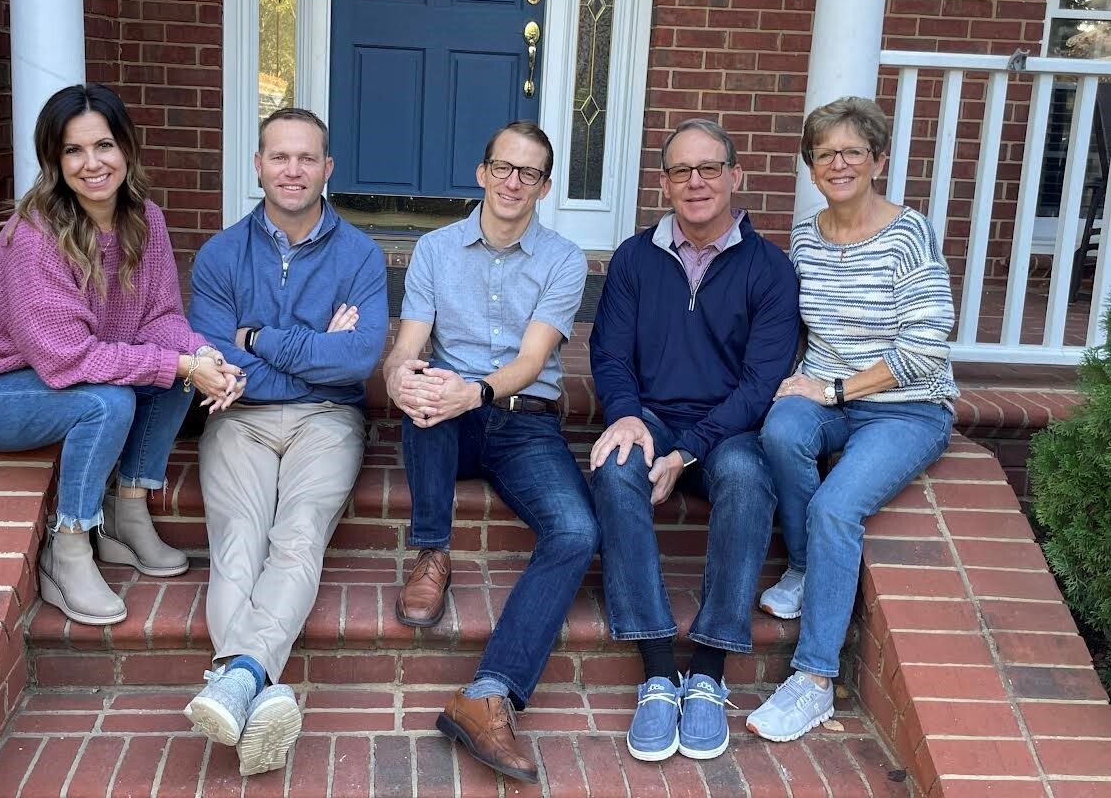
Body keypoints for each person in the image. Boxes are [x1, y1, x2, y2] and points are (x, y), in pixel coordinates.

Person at [0, 83, 243, 627]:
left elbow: (159, 320)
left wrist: (203, 356)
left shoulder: (146, 220)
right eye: (73, 150)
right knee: (108, 402)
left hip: (53, 375)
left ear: (127, 150)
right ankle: (67, 548)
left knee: (175, 376)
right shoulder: (35, 235)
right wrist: (177, 363)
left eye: (104, 146)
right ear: (55, 160)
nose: (92, 163)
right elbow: (66, 360)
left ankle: (127, 513)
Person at [384, 121, 598, 786]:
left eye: (528, 173)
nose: (512, 182)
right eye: (503, 168)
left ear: (544, 186)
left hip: (520, 421)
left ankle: (487, 693)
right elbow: (408, 342)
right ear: (480, 173)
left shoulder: (563, 259)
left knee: (576, 531)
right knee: (425, 391)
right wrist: (398, 373)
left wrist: (472, 390)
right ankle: (432, 551)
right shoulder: (435, 249)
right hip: (444, 417)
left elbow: (533, 359)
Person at [183, 107, 388, 776]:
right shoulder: (219, 255)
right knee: (239, 534)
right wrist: (311, 345)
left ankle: (234, 679)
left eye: (306, 158)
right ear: (258, 166)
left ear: (327, 169)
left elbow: (356, 363)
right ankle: (253, 685)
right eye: (279, 157)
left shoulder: (358, 254)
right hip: (236, 416)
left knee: (297, 530)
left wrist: (258, 338)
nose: (293, 170)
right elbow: (213, 356)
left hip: (327, 416)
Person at [588, 117, 800, 763]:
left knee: (744, 476)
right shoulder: (632, 257)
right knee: (614, 464)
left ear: (736, 176)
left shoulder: (769, 269)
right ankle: (657, 669)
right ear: (663, 182)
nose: (696, 181)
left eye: (709, 168)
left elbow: (761, 383)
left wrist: (687, 450)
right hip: (650, 412)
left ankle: (707, 671)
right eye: (681, 170)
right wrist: (625, 415)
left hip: (729, 426)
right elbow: (607, 354)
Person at [747, 96, 957, 742]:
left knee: (836, 506)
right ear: (810, 166)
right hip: (829, 392)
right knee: (779, 429)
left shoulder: (907, 233)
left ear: (878, 161)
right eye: (824, 154)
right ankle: (808, 566)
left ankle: (813, 680)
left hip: (905, 407)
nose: (837, 163)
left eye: (851, 152)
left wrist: (833, 388)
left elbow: (925, 346)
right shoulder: (807, 235)